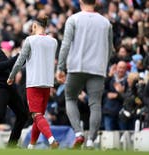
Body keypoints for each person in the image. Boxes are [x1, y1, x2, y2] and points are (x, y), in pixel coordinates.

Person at [56, 0, 113, 149]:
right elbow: (110, 49)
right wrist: (103, 66)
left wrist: (60, 68)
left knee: (70, 98)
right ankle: (91, 141)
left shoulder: (73, 19)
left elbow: (66, 45)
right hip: (97, 69)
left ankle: (78, 133)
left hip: (76, 67)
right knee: (95, 104)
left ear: (80, 1)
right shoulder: (106, 23)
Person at [7, 15, 59, 149]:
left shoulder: (30, 40)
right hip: (47, 82)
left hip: (34, 82)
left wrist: (12, 75)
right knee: (39, 116)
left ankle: (51, 139)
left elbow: (20, 60)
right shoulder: (53, 41)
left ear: (35, 26)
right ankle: (31, 146)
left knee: (36, 115)